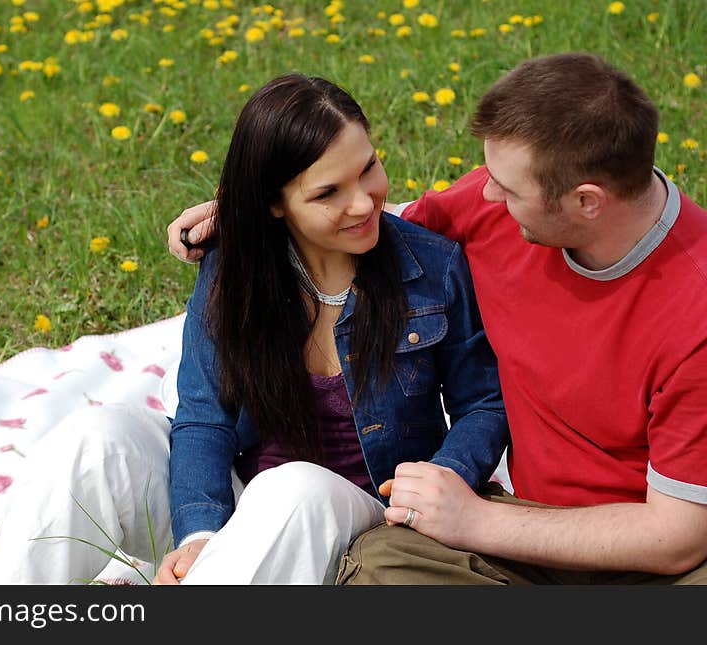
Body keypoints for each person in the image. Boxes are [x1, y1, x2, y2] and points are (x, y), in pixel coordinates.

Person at [166, 52, 707, 584]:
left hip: (644, 553)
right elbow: (383, 232)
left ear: (586, 201)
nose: (485, 192)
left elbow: (678, 536)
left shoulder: (694, 314)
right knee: (381, 566)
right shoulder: (493, 205)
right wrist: (242, 215)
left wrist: (475, 516)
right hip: (520, 532)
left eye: (507, 188)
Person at [0, 72, 508, 585]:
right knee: (101, 438)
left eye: (369, 168)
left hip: (366, 525)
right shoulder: (235, 270)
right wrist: (200, 536)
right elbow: (205, 417)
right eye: (328, 193)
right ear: (274, 204)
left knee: (291, 487)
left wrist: (443, 477)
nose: (364, 202)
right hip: (239, 515)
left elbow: (484, 403)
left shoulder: (433, 269)